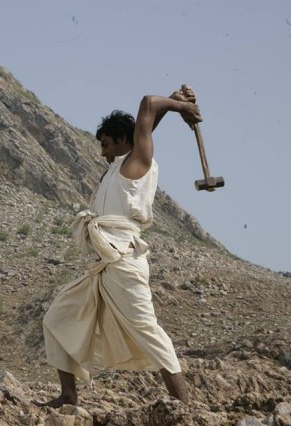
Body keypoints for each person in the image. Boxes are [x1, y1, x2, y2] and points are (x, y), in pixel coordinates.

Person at [37, 86, 202, 408]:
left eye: (106, 144)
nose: (102, 152)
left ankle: (183, 404)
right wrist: (175, 103)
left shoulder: (137, 165)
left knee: (148, 331)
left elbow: (147, 105)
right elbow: (145, 122)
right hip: (103, 267)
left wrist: (177, 108)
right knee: (56, 319)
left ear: (124, 142)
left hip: (124, 262)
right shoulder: (119, 167)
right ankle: (68, 396)